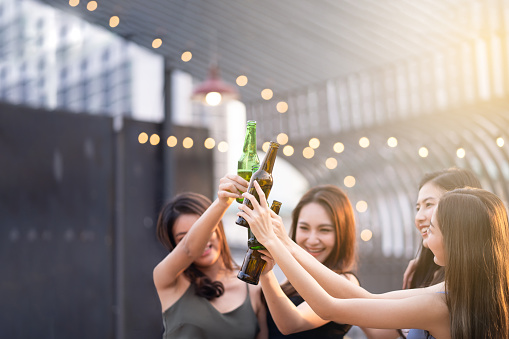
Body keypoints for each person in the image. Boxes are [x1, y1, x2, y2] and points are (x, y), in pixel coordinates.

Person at [241, 182, 509, 339]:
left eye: (433, 230)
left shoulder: (440, 303)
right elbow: (363, 297)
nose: (424, 242)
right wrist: (284, 243)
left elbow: (329, 307)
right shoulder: (459, 293)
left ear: (457, 241)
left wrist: (276, 244)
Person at [153, 174, 268, 339]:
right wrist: (223, 202)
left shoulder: (254, 289)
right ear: (175, 246)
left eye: (203, 229)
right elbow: (189, 249)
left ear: (217, 226)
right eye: (184, 237)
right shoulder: (168, 280)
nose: (201, 240)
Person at [260, 185, 358, 338]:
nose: (312, 240)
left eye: (324, 230)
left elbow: (290, 324)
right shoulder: (289, 279)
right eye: (304, 228)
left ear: (342, 234)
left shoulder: (346, 282)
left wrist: (266, 274)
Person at [402, 168, 482, 291]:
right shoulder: (434, 267)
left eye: (428, 204)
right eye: (418, 208)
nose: (418, 217)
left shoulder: (461, 283)